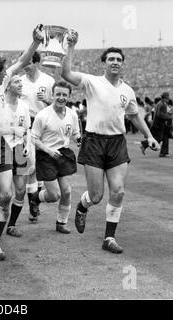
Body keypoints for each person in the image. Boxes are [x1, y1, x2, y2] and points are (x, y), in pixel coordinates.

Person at [61, 44, 159, 254]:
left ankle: (109, 238)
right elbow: (66, 73)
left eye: (118, 59)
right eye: (111, 59)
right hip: (94, 142)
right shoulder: (92, 82)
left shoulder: (127, 91)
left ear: (122, 64)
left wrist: (149, 135)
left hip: (117, 143)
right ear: (104, 63)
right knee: (96, 196)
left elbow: (134, 116)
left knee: (119, 191)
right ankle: (82, 207)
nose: (115, 62)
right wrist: (71, 46)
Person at [0, 24, 44, 260]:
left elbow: (22, 61)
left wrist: (35, 41)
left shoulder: (1, 84)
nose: (9, 73)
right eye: (4, 70)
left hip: (1, 146)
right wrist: (10, 128)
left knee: (6, 195)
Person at [0, 75, 31, 237]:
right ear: (7, 86)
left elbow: (27, 129)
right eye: (16, 82)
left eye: (21, 82)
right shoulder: (0, 105)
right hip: (0, 147)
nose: (20, 84)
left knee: (21, 190)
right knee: (6, 191)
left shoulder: (24, 106)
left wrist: (28, 146)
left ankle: (11, 225)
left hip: (18, 148)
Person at [30, 81, 81, 234]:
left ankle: (61, 223)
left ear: (69, 96)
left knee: (66, 192)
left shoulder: (72, 114)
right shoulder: (43, 115)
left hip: (63, 154)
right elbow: (34, 139)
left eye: (64, 94)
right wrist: (49, 151)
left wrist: (79, 139)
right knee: (54, 195)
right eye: (58, 94)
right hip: (46, 155)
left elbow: (75, 134)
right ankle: (35, 198)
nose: (61, 97)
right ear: (52, 95)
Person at [20, 51, 55, 223]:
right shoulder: (19, 81)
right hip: (27, 125)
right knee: (31, 167)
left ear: (36, 62)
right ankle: (33, 206)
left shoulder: (48, 81)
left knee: (40, 167)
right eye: (23, 62)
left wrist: (49, 100)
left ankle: (36, 202)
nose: (25, 66)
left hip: (45, 125)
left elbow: (58, 105)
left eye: (28, 62)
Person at [140, 92, 172, 157]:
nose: (168, 100)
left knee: (158, 138)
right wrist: (169, 116)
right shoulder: (162, 104)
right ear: (165, 98)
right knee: (158, 139)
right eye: (167, 98)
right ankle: (144, 144)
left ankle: (145, 145)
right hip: (159, 124)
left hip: (157, 124)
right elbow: (160, 114)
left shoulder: (160, 103)